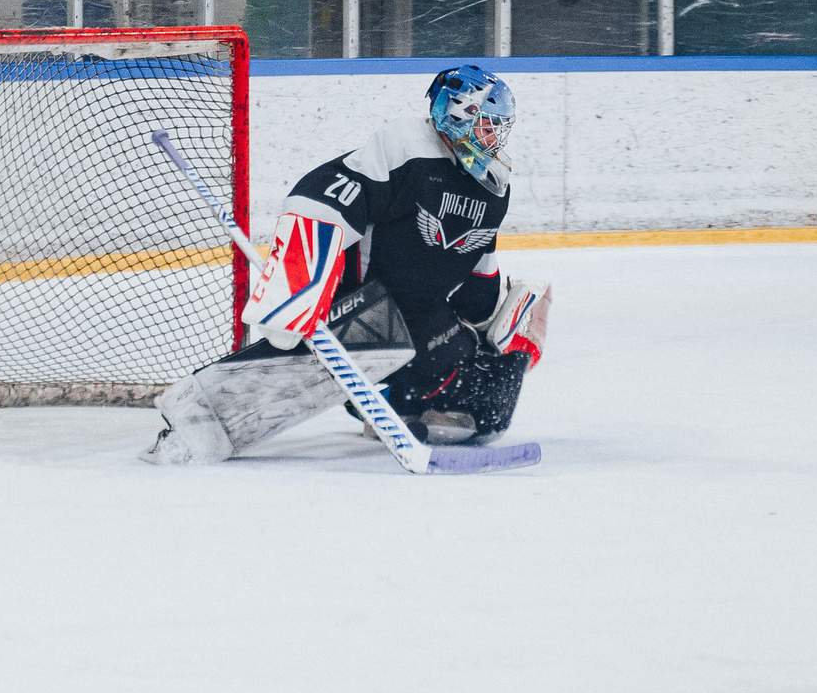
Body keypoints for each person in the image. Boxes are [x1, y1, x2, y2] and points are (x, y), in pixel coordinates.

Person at [144, 66, 550, 465]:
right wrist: (297, 287)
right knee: (339, 348)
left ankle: (390, 399)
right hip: (368, 303)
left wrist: (493, 323)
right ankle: (195, 411)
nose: (495, 138)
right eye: (488, 125)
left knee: (486, 402)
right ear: (459, 114)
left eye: (500, 128)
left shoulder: (494, 186)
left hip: (424, 313)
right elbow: (322, 196)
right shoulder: (409, 144)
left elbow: (479, 257)